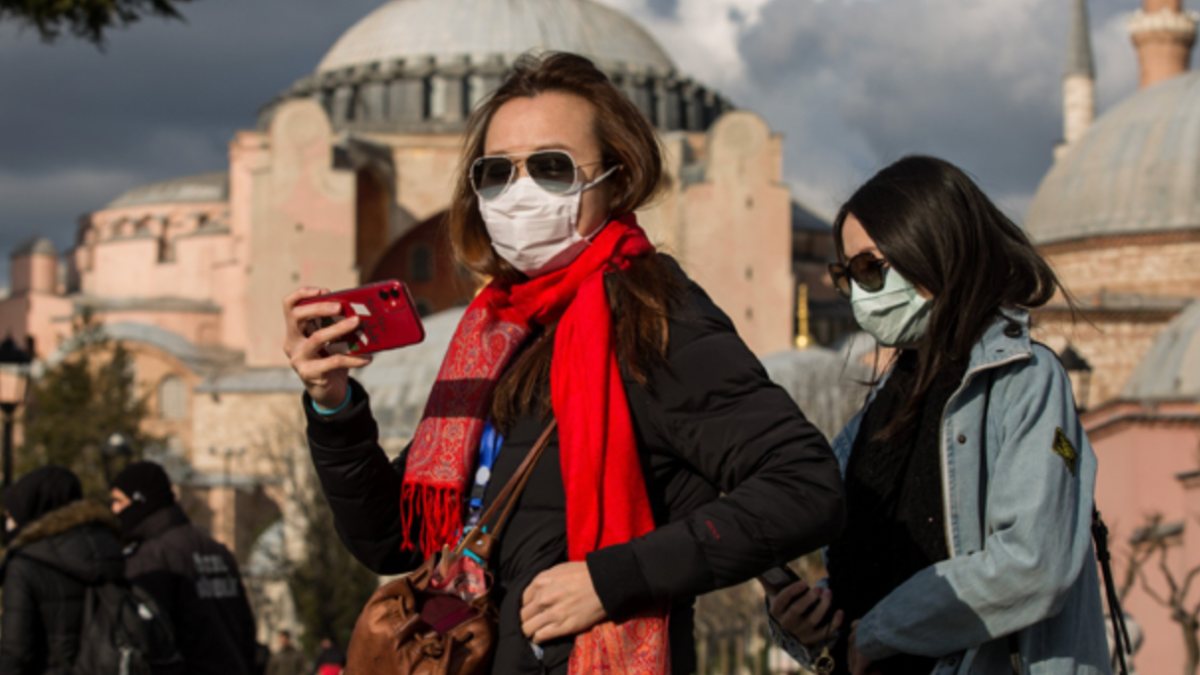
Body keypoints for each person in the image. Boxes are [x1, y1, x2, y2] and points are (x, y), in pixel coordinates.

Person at [283, 51, 845, 674]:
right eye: (496, 172)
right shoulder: (497, 332)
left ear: (616, 174)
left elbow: (804, 485)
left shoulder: (651, 315)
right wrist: (333, 403)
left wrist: (612, 579)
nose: (518, 191)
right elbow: (391, 537)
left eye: (551, 167)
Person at [766, 155, 1110, 674]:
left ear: (931, 247)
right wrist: (807, 622)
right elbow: (875, 573)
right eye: (846, 275)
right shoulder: (877, 412)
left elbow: (1033, 564)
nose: (859, 293)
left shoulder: (1023, 379)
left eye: (869, 269)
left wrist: (879, 632)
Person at [110, 460, 258, 674]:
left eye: (118, 501)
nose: (113, 510)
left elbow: (148, 637)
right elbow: (245, 627)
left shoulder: (152, 556)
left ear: (139, 499)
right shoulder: (214, 549)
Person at [0, 465, 124, 674]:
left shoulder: (26, 563)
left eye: (12, 514)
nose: (9, 523)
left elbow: (15, 653)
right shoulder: (110, 549)